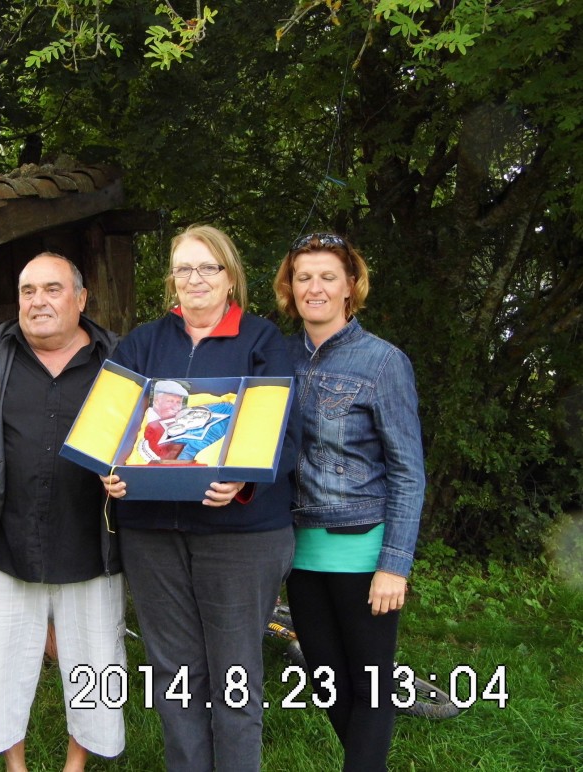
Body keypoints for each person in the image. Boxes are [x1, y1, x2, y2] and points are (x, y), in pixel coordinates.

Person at [102, 224, 301, 771]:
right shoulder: (143, 343)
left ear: (229, 277)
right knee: (175, 674)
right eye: (184, 268)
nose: (195, 279)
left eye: (207, 267)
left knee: (234, 675)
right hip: (153, 535)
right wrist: (109, 470)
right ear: (171, 279)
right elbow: (110, 425)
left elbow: (284, 432)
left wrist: (242, 480)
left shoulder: (260, 341)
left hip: (239, 535)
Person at [272, 232, 425, 771]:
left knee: (371, 683)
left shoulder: (383, 362)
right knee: (326, 681)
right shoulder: (275, 357)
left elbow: (408, 471)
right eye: (303, 277)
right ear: (289, 288)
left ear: (350, 287)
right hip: (298, 549)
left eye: (327, 277)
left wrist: (394, 564)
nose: (314, 287)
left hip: (362, 547)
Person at [0, 253, 126, 772]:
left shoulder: (116, 359)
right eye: (28, 290)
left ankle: (75, 763)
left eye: (52, 289)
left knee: (96, 662)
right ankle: (14, 765)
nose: (38, 301)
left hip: (91, 542)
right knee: (2, 664)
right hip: (10, 541)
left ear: (81, 299)